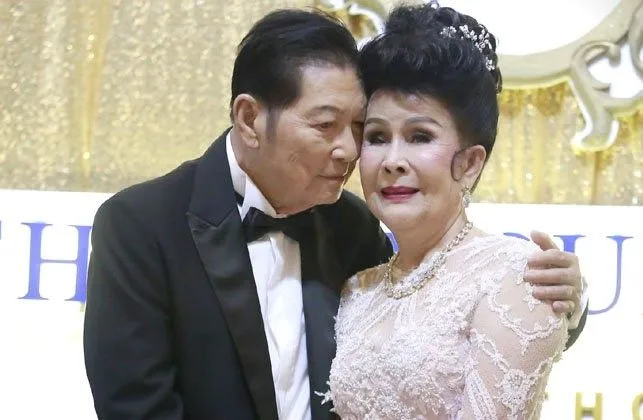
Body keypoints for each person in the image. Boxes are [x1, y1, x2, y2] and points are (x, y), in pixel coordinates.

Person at [83, 8, 587, 420]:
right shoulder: (140, 226)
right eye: (327, 126)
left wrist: (565, 301)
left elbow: (484, 334)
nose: (349, 150)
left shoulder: (351, 225)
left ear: (470, 161)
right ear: (249, 118)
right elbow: (137, 408)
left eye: (358, 128)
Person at [321, 3, 581, 419]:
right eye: (377, 137)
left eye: (420, 136)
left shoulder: (513, 277)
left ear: (471, 163)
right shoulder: (357, 289)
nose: (392, 161)